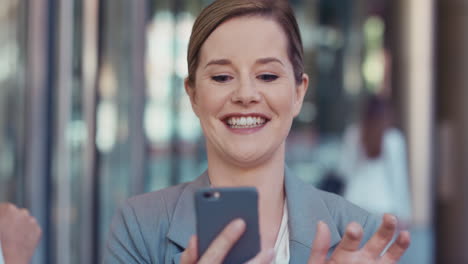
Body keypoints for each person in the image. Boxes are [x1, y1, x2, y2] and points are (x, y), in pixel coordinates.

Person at [103, 0, 410, 263]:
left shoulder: (355, 232)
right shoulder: (140, 227)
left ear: (299, 93)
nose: (246, 94)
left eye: (266, 75)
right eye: (222, 77)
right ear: (193, 94)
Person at [338, 95, 412, 228]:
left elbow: (344, 170)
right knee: (381, 248)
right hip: (383, 204)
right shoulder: (393, 138)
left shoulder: (353, 134)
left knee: (357, 248)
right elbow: (398, 179)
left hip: (354, 201)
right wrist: (404, 214)